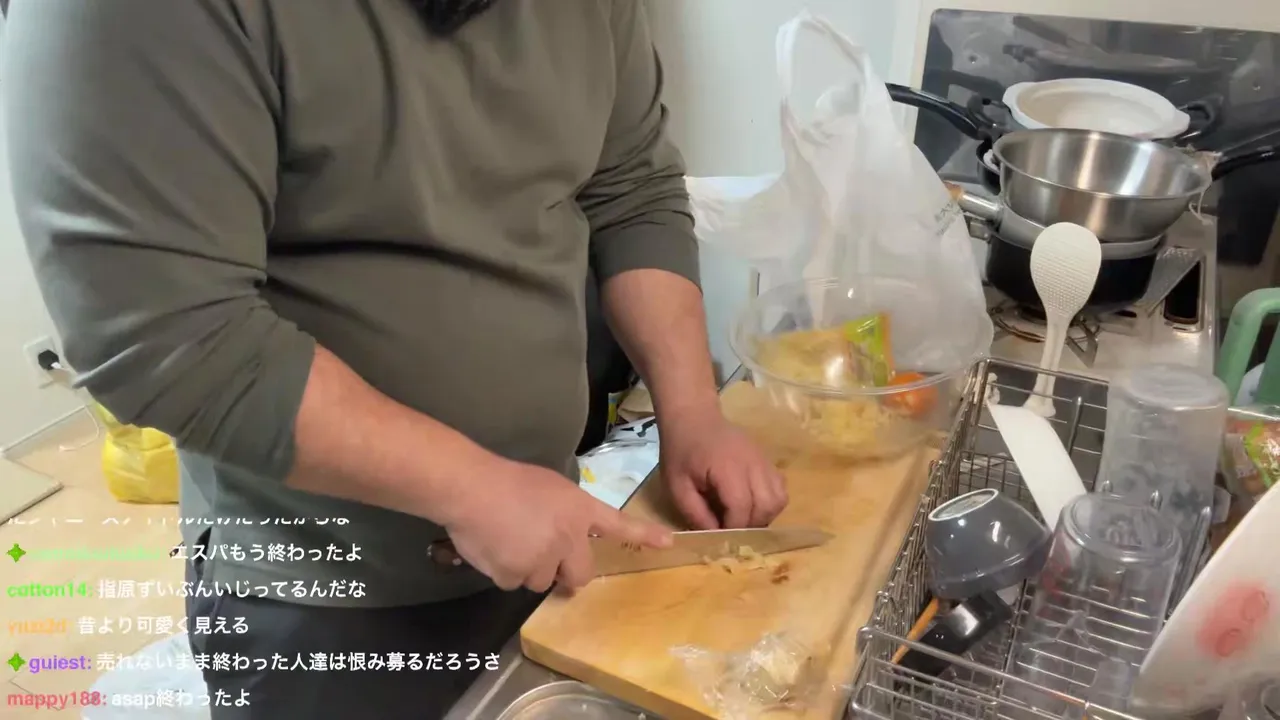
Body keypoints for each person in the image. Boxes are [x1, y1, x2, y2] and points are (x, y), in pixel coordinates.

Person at [3, 0, 789, 716]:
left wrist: (693, 412)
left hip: (547, 537)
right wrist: (470, 485)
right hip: (318, 593)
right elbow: (170, 337)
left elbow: (632, 190)